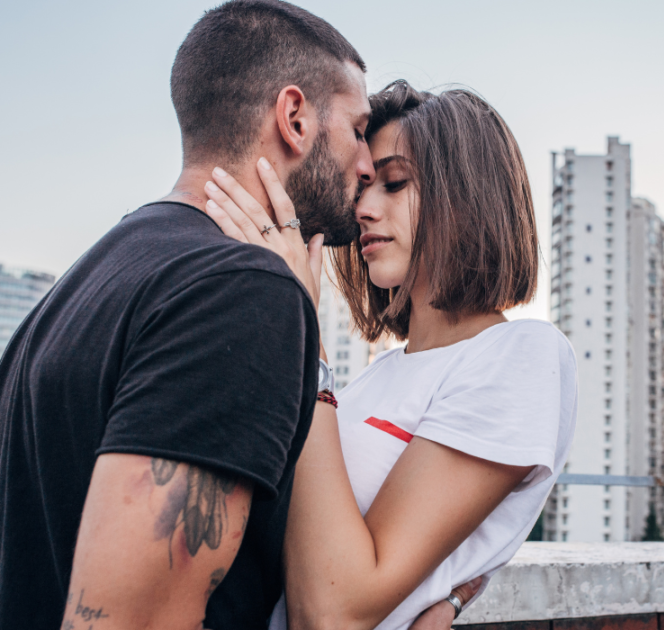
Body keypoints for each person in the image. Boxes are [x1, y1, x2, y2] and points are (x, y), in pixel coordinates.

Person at [0, 3, 395, 629]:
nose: (367, 165)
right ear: (294, 118)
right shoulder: (242, 293)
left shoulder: (84, 280)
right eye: (357, 129)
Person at [203, 80, 578, 630]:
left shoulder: (523, 354)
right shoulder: (375, 379)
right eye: (363, 189)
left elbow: (332, 612)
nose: (365, 209)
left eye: (395, 183)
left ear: (469, 196)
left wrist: (302, 338)